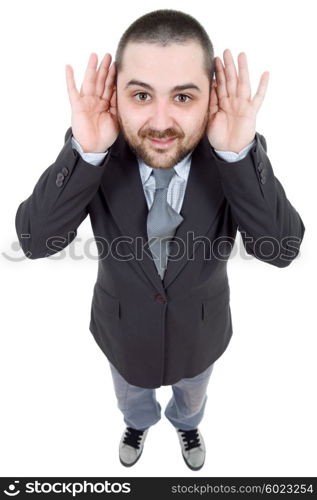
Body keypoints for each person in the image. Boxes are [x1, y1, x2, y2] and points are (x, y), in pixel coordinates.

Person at [15, 9, 305, 471]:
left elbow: (282, 250)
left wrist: (235, 154)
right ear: (116, 95)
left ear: (211, 98)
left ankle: (187, 425)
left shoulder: (232, 150)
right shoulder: (95, 151)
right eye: (142, 95)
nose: (161, 120)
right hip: (122, 328)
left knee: (193, 396)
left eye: (184, 96)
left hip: (201, 331)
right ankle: (138, 422)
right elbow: (34, 241)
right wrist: (87, 152)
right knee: (131, 396)